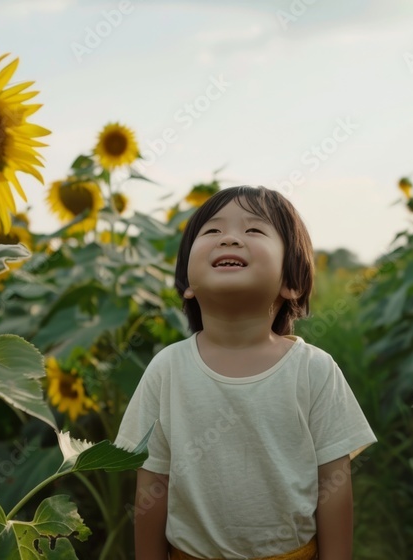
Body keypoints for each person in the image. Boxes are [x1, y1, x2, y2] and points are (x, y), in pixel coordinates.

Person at [115, 186, 376, 560]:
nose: (231, 238)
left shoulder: (314, 370)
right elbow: (153, 483)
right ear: (187, 284)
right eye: (212, 231)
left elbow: (333, 484)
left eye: (254, 230)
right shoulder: (167, 369)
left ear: (292, 282)